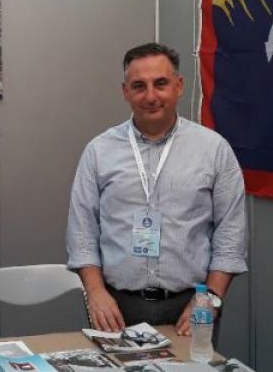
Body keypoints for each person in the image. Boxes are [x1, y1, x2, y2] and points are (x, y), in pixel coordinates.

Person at [66, 43, 247, 337]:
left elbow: (231, 234)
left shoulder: (214, 150)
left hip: (192, 307)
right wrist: (95, 293)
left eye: (160, 84)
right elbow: (82, 232)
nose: (150, 96)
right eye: (139, 86)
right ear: (125, 92)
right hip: (115, 307)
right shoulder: (99, 152)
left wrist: (210, 299)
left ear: (179, 86)